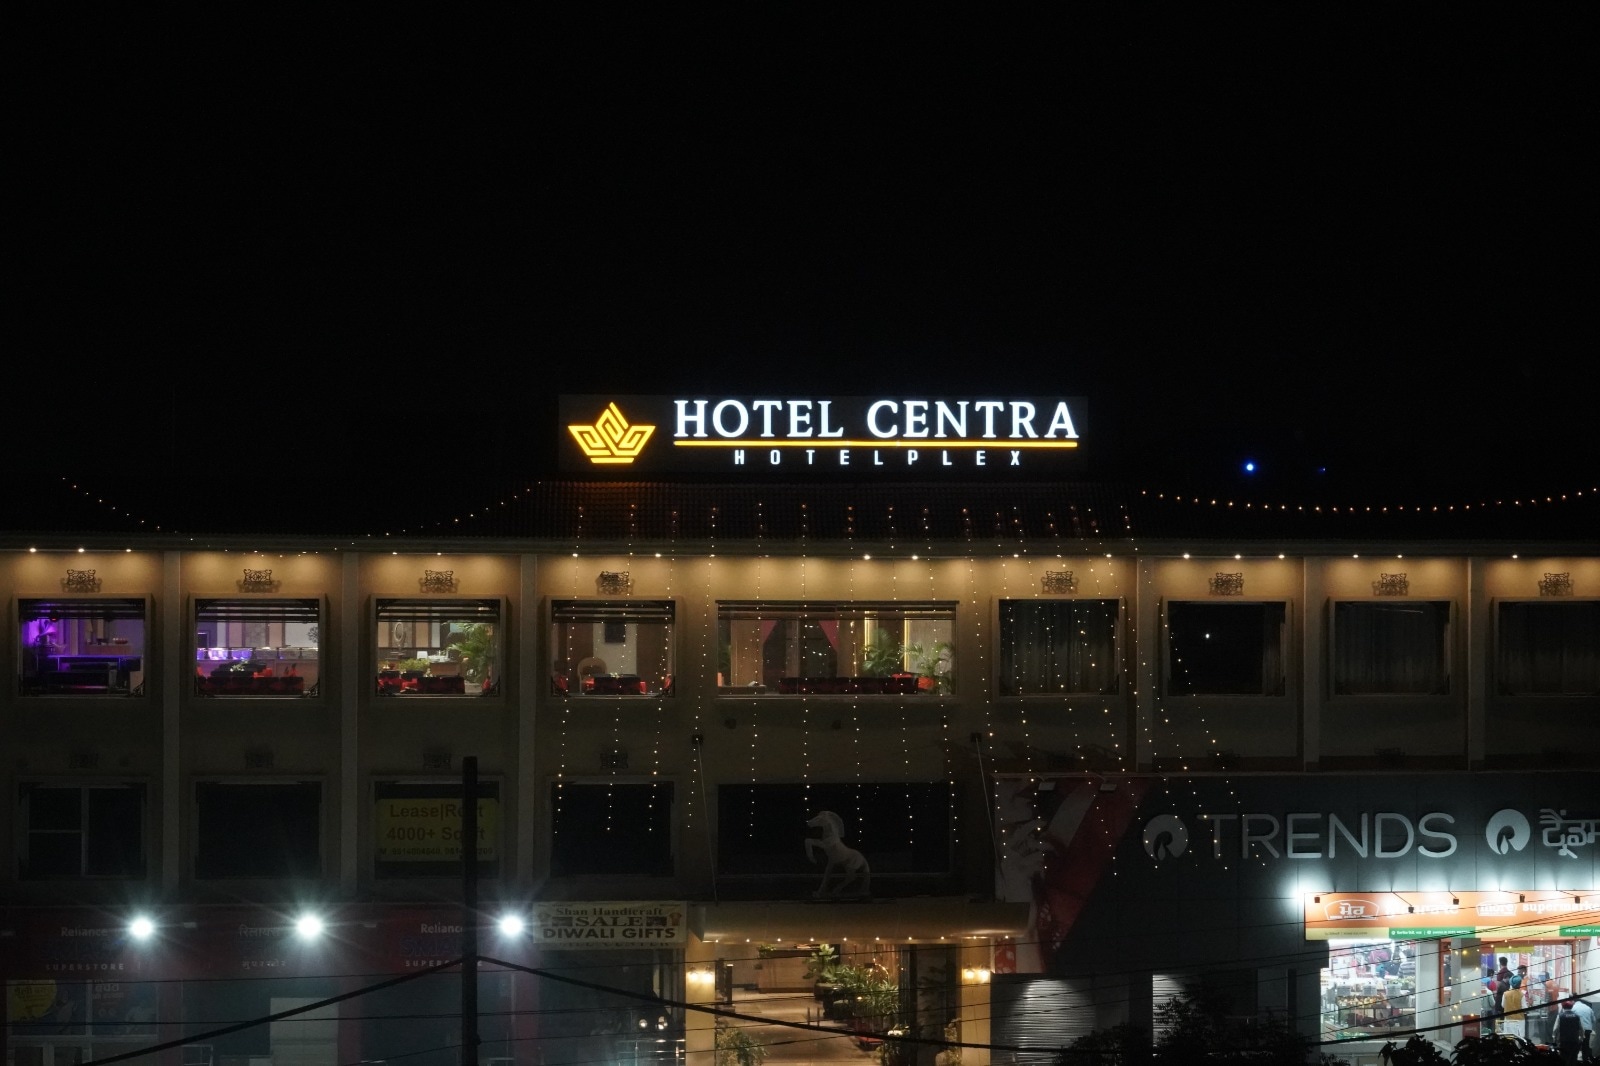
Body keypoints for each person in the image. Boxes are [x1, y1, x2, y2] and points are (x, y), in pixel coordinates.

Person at [1556, 999, 1586, 1065]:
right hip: (1574, 1040)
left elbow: (1556, 1029)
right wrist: (1581, 1038)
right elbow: (1582, 1028)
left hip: (1563, 1041)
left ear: (1563, 1007)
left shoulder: (1560, 1016)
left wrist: (1555, 1039)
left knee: (1564, 1057)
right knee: (1573, 1057)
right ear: (1572, 1007)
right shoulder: (1577, 1016)